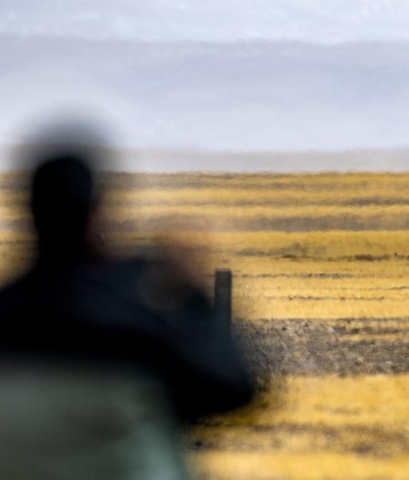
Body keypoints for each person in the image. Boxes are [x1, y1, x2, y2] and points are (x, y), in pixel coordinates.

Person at [0, 146, 254, 479]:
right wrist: (192, 296)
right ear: (96, 213)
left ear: (29, 212)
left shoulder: (9, 313)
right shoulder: (131, 320)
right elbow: (232, 388)